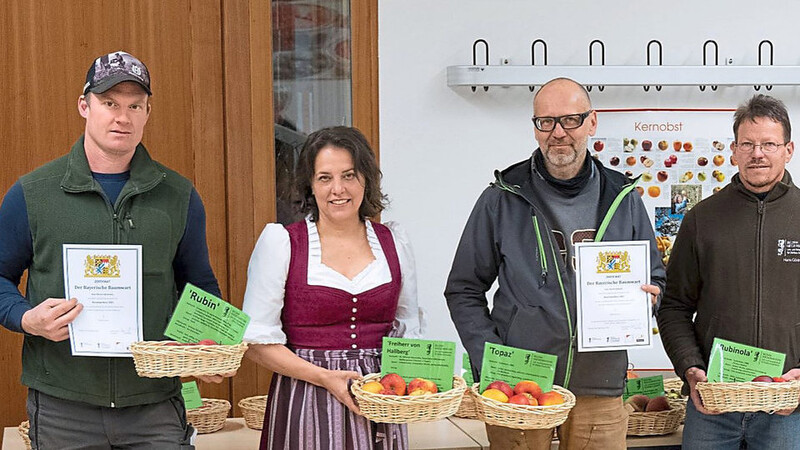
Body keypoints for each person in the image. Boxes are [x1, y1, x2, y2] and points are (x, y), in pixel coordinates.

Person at [0, 51, 226, 448]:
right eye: (110, 103)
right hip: (63, 407)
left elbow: (200, 285)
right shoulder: (32, 193)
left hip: (153, 407)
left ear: (147, 113)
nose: (122, 116)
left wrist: (206, 349)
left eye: (134, 105)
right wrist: (25, 317)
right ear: (84, 106)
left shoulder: (179, 196)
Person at [445, 77, 665, 449]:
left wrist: (650, 296)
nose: (557, 133)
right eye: (545, 122)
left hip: (600, 385)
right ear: (535, 128)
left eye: (570, 120)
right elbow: (463, 289)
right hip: (521, 388)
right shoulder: (502, 198)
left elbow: (656, 276)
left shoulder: (623, 196)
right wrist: (491, 360)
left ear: (592, 123)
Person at [241, 126, 423, 450]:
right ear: (310, 185)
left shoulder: (393, 242)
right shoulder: (282, 244)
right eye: (325, 178)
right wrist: (325, 377)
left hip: (379, 400)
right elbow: (255, 342)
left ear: (366, 180)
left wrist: (420, 383)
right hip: (306, 399)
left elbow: (408, 330)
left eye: (349, 175)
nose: (338, 189)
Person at [658, 94, 800, 449]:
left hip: (787, 407)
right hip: (713, 407)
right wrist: (689, 367)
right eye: (748, 144)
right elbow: (674, 305)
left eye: (769, 143)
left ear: (788, 149)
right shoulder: (701, 219)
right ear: (733, 150)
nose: (758, 153)